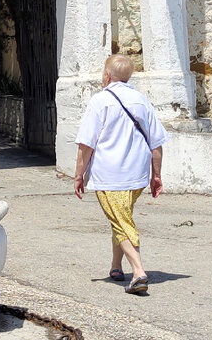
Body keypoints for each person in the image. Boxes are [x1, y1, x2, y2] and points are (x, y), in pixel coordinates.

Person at [73, 53, 168, 296]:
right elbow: (156, 144)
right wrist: (156, 174)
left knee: (121, 220)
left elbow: (86, 144)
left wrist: (78, 175)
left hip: (110, 175)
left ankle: (138, 272)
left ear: (107, 75)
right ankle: (117, 266)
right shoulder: (141, 100)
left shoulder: (100, 101)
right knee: (121, 215)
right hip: (136, 174)